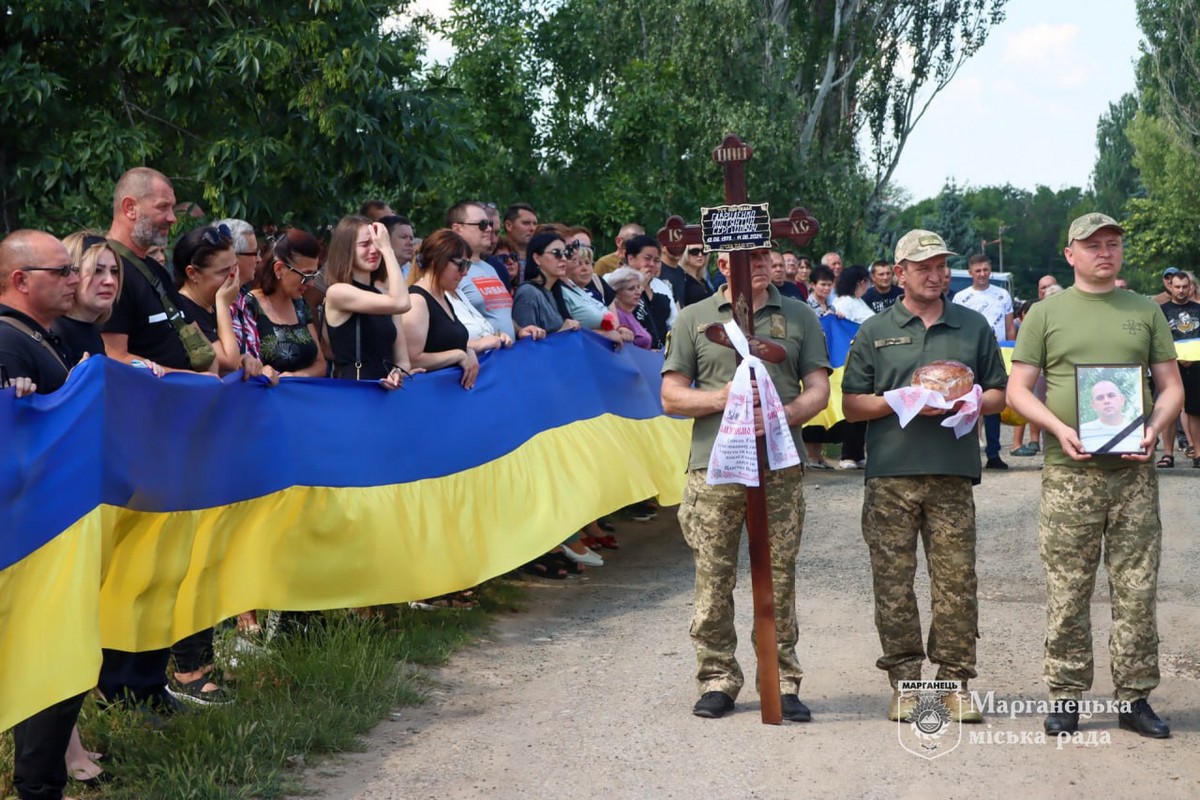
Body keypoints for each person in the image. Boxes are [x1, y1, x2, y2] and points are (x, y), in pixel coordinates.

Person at [1007, 212, 1181, 739]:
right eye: (1093, 245)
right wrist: (1057, 429)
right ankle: (1065, 695)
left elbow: (1170, 386)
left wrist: (1154, 427)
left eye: (1112, 244)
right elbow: (1018, 391)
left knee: (1135, 587)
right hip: (1069, 473)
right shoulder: (1045, 313)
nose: (1104, 252)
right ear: (1070, 254)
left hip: (1133, 475)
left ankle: (1134, 696)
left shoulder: (1146, 311)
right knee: (1067, 588)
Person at [842, 229, 1008, 724]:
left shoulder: (972, 325)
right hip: (891, 474)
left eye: (940, 266)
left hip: (952, 473)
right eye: (923, 267)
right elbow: (851, 406)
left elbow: (999, 394)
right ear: (900, 274)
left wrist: (972, 401)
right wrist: (899, 400)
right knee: (893, 584)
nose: (935, 275)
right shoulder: (877, 330)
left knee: (956, 583)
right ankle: (908, 683)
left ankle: (954, 683)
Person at [661, 247, 831, 722]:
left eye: (763, 257)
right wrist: (723, 398)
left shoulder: (797, 314)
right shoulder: (694, 317)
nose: (756, 265)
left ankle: (782, 681)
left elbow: (819, 388)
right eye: (743, 258)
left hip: (778, 464)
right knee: (713, 577)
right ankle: (717, 678)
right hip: (713, 468)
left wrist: (782, 413)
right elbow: (671, 394)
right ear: (721, 266)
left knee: (778, 575)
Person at [1, 229, 86, 800]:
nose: (75, 280)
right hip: (32, 533)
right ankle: (36, 787)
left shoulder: (40, 335)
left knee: (61, 658)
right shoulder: (6, 342)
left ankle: (42, 781)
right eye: (62, 271)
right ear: (20, 280)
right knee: (46, 658)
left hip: (56, 523)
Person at [403, 229, 501, 389]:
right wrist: (458, 355)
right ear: (437, 261)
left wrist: (466, 350)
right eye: (461, 264)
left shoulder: (443, 297)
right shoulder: (417, 301)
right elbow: (410, 359)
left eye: (468, 264)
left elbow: (446, 342)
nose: (465, 272)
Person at [322, 215, 413, 387]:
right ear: (346, 250)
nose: (375, 250)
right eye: (365, 244)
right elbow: (402, 303)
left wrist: (398, 372)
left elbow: (403, 359)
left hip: (385, 393)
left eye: (377, 243)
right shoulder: (338, 292)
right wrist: (387, 249)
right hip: (354, 393)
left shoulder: (384, 294)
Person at [952, 253, 1015, 470]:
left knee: (993, 404)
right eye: (978, 271)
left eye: (986, 270)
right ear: (970, 272)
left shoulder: (1002, 295)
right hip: (969, 354)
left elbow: (1009, 328)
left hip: (995, 353)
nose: (982, 274)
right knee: (966, 403)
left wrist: (1011, 353)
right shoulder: (961, 297)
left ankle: (994, 453)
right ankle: (964, 452)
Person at [242, 229, 327, 377]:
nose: (311, 283)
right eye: (306, 275)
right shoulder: (249, 305)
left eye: (314, 275)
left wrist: (295, 378)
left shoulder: (300, 305)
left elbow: (320, 364)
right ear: (279, 269)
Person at [1157, 269, 1200, 467]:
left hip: (1196, 365)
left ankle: (1198, 453)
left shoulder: (1198, 309)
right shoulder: (1161, 311)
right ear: (1170, 287)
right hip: (1171, 366)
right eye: (1177, 287)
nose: (1181, 291)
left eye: (1185, 287)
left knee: (1194, 410)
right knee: (1170, 410)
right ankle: (1168, 454)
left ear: (1190, 287)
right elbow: (1158, 340)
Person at [512, 231, 583, 334]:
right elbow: (526, 344)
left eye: (565, 253)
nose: (563, 258)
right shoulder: (528, 293)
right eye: (556, 253)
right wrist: (562, 332)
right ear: (537, 258)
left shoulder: (555, 291)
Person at [1077, 378, 1144, 453]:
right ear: (1093, 405)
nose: (1106, 401)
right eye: (1100, 398)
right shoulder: (1082, 431)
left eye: (1111, 395)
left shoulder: (1140, 430)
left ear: (1122, 400)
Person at [604, 266, 653, 349]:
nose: (638, 292)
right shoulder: (617, 315)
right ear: (617, 293)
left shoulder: (628, 314)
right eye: (631, 289)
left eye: (638, 287)